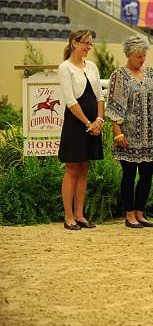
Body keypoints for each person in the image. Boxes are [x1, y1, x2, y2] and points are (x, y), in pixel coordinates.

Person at [106, 35, 153, 229]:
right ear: (129, 55)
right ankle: (129, 214)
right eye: (139, 56)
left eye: (144, 55)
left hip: (148, 136)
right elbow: (114, 105)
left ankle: (141, 213)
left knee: (147, 175)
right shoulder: (119, 75)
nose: (142, 59)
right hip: (128, 135)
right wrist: (117, 132)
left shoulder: (151, 73)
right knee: (129, 176)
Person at [57, 29, 104, 230]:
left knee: (85, 168)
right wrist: (87, 123)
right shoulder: (65, 68)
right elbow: (70, 101)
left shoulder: (92, 66)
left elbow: (100, 96)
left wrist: (99, 119)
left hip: (94, 123)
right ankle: (68, 216)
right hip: (76, 124)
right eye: (86, 43)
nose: (88, 47)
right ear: (74, 43)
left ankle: (80, 214)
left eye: (90, 44)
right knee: (72, 168)